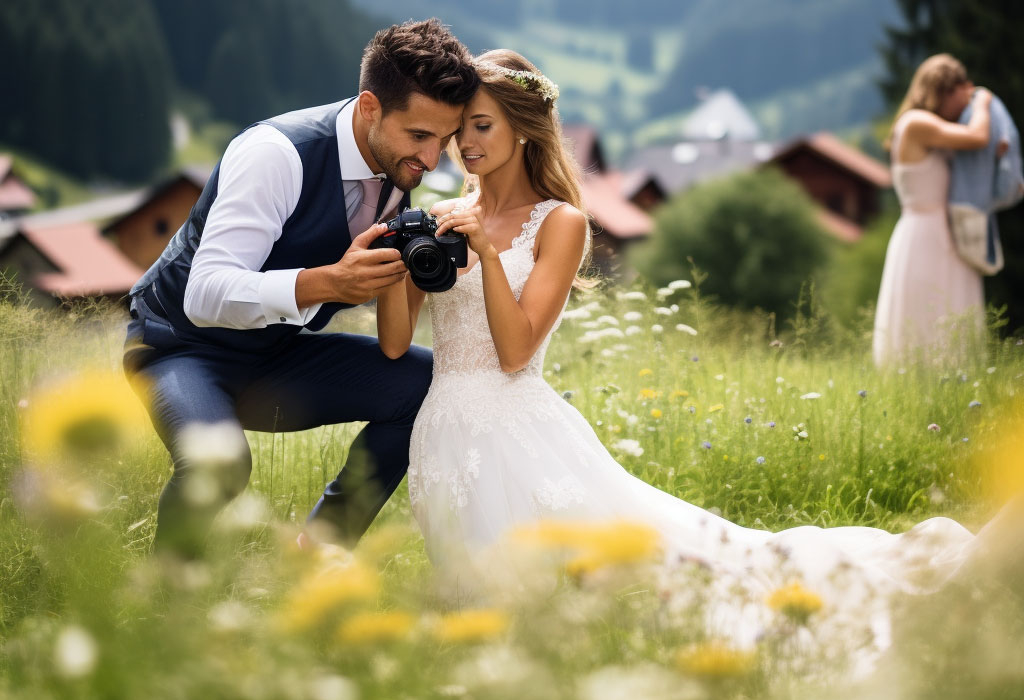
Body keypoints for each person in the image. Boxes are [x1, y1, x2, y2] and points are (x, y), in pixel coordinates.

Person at [376, 49, 1018, 655]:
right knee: (479, 606)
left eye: (482, 125)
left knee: (630, 586)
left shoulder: (559, 222)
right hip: (443, 434)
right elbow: (397, 341)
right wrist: (386, 262)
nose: (465, 143)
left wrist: (488, 256)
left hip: (520, 435)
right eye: (460, 128)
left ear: (523, 128)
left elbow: (516, 351)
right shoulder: (441, 217)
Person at [123, 19, 479, 558]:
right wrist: (329, 281)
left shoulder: (394, 174)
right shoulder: (276, 153)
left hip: (275, 357)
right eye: (419, 136)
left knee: (428, 384)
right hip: (180, 347)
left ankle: (317, 555)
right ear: (370, 107)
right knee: (219, 465)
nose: (431, 160)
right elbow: (204, 294)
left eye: (444, 140)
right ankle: (164, 590)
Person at [873, 54, 996, 367]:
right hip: (926, 236)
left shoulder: (926, 127)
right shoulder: (917, 123)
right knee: (930, 313)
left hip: (940, 232)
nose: (966, 100)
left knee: (949, 312)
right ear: (944, 90)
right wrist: (984, 103)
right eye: (962, 92)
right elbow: (977, 137)